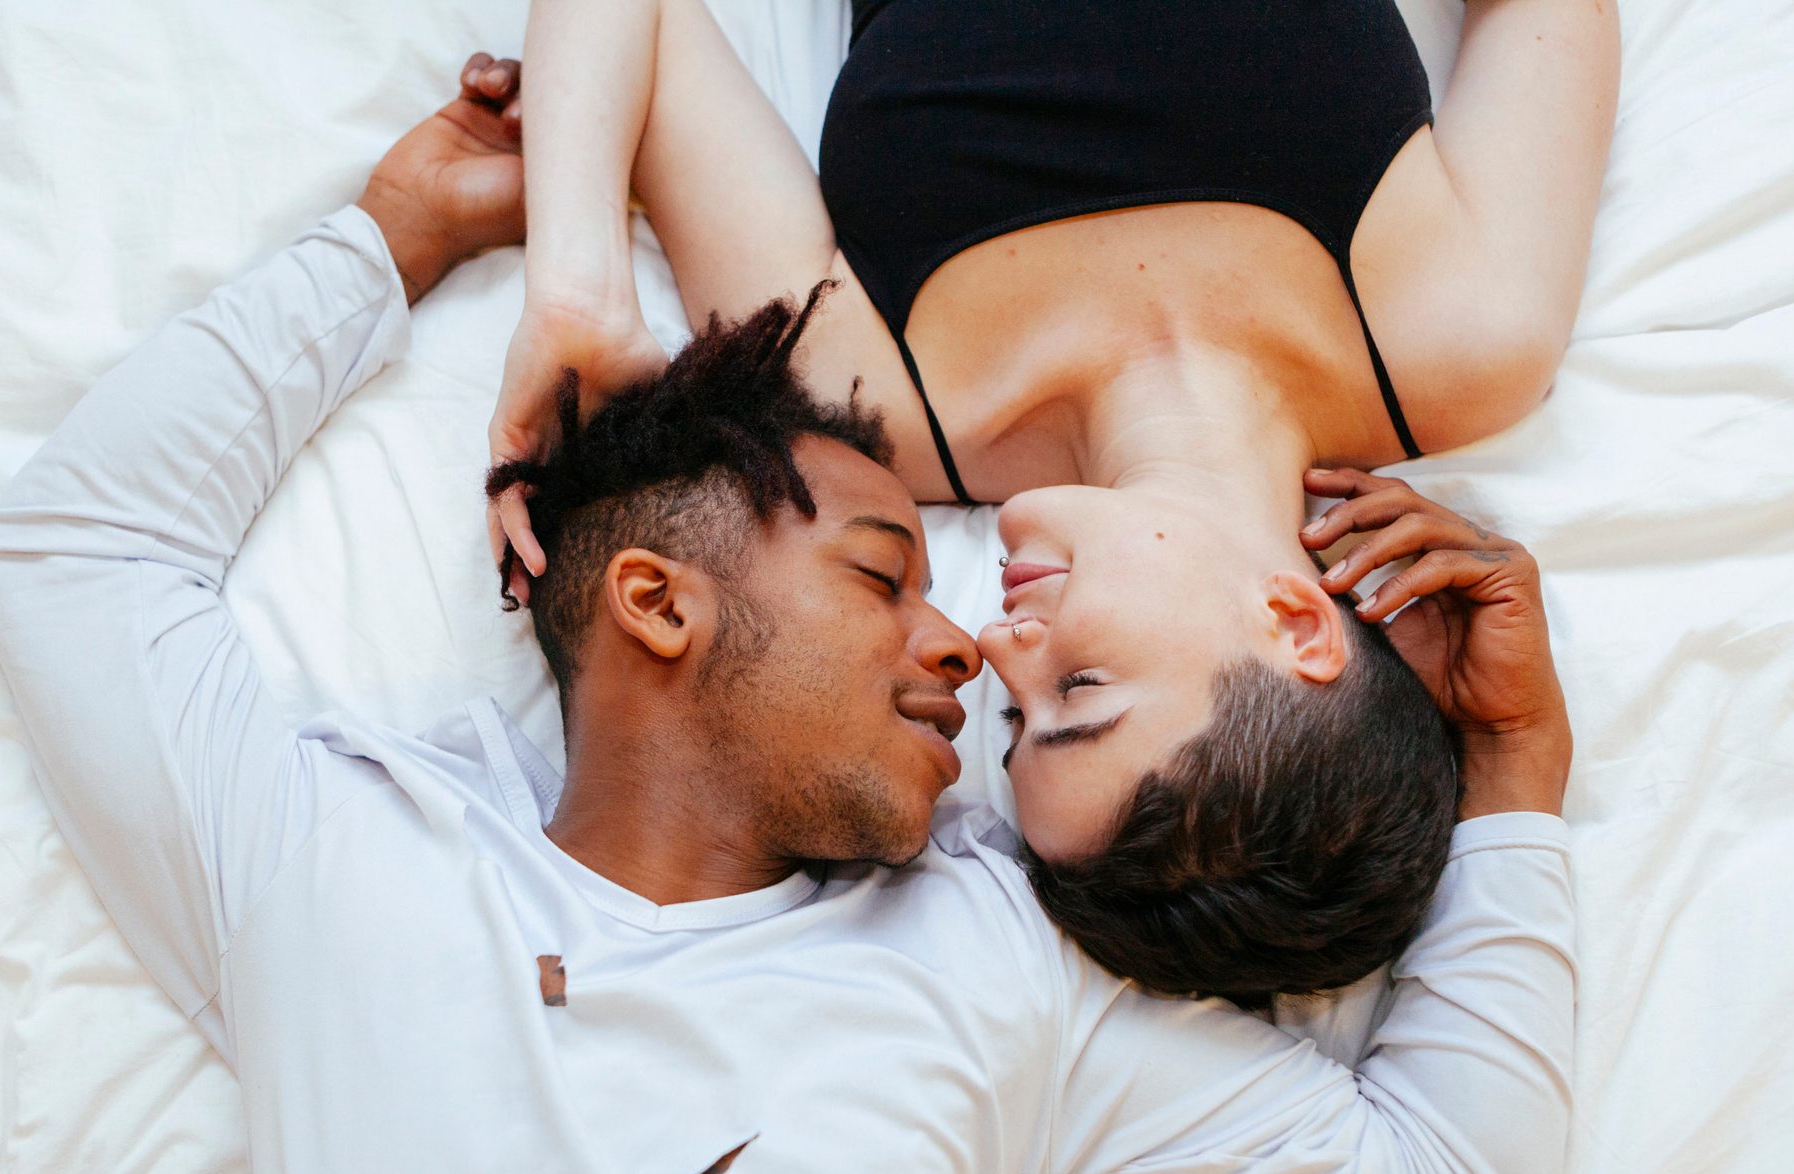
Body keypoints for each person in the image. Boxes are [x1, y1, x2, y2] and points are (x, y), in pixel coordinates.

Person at [0, 68, 1576, 1174]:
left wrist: (1507, 763)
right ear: (659, 606)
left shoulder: (1014, 965)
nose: (967, 637)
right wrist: (394, 235)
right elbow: (67, 554)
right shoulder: (336, 863)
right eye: (884, 573)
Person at [483, 0, 1612, 1003]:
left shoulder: (874, 404)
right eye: (1080, 686)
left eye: (1017, 721)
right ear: (1296, 624)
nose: (996, 650)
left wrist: (577, 289)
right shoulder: (1471, 335)